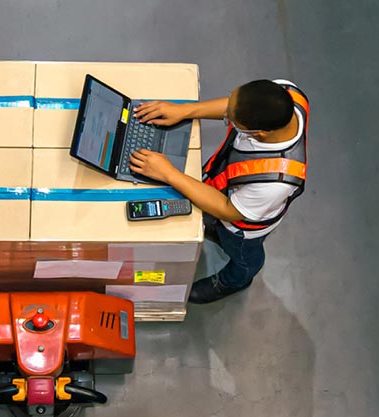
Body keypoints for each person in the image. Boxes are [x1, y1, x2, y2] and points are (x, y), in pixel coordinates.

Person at [126, 79, 309, 304]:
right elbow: (235, 106)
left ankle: (233, 281)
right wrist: (186, 110)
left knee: (244, 257)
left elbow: (227, 210)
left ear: (260, 134)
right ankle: (215, 232)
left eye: (234, 120)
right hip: (226, 188)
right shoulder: (286, 94)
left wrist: (168, 174)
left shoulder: (275, 181)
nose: (227, 116)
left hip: (241, 227)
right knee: (212, 223)